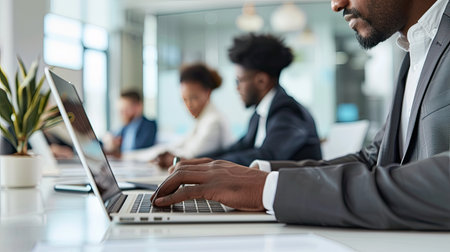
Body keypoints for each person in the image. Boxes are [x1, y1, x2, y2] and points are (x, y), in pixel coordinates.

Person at [153, 0, 450, 230]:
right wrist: (258, 174)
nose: (336, 5)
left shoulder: (285, 110)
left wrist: (269, 188)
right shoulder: (413, 54)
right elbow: (374, 159)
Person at [198, 34, 322, 166]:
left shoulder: (288, 113)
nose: (237, 88)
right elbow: (241, 147)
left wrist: (208, 165)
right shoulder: (260, 114)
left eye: (239, 80)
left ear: (261, 81)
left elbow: (267, 156)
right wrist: (197, 161)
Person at [151, 63, 234, 168]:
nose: (189, 105)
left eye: (194, 98)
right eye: (185, 99)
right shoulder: (201, 120)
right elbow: (179, 145)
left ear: (207, 93)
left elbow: (192, 155)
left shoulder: (214, 121)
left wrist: (169, 156)